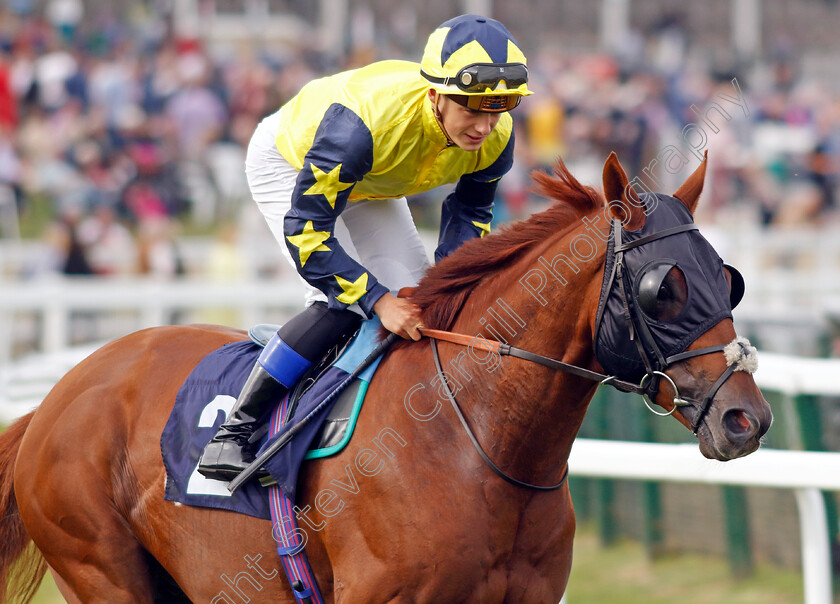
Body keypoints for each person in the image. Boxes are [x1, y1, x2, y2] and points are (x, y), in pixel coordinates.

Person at [198, 14, 532, 480]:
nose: (483, 127)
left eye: (497, 109)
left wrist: (446, 288)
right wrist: (376, 299)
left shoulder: (497, 135)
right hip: (292, 163)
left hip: (370, 181)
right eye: (471, 109)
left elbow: (471, 216)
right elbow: (307, 232)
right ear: (435, 94)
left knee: (421, 301)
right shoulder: (362, 124)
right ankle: (233, 435)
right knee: (345, 301)